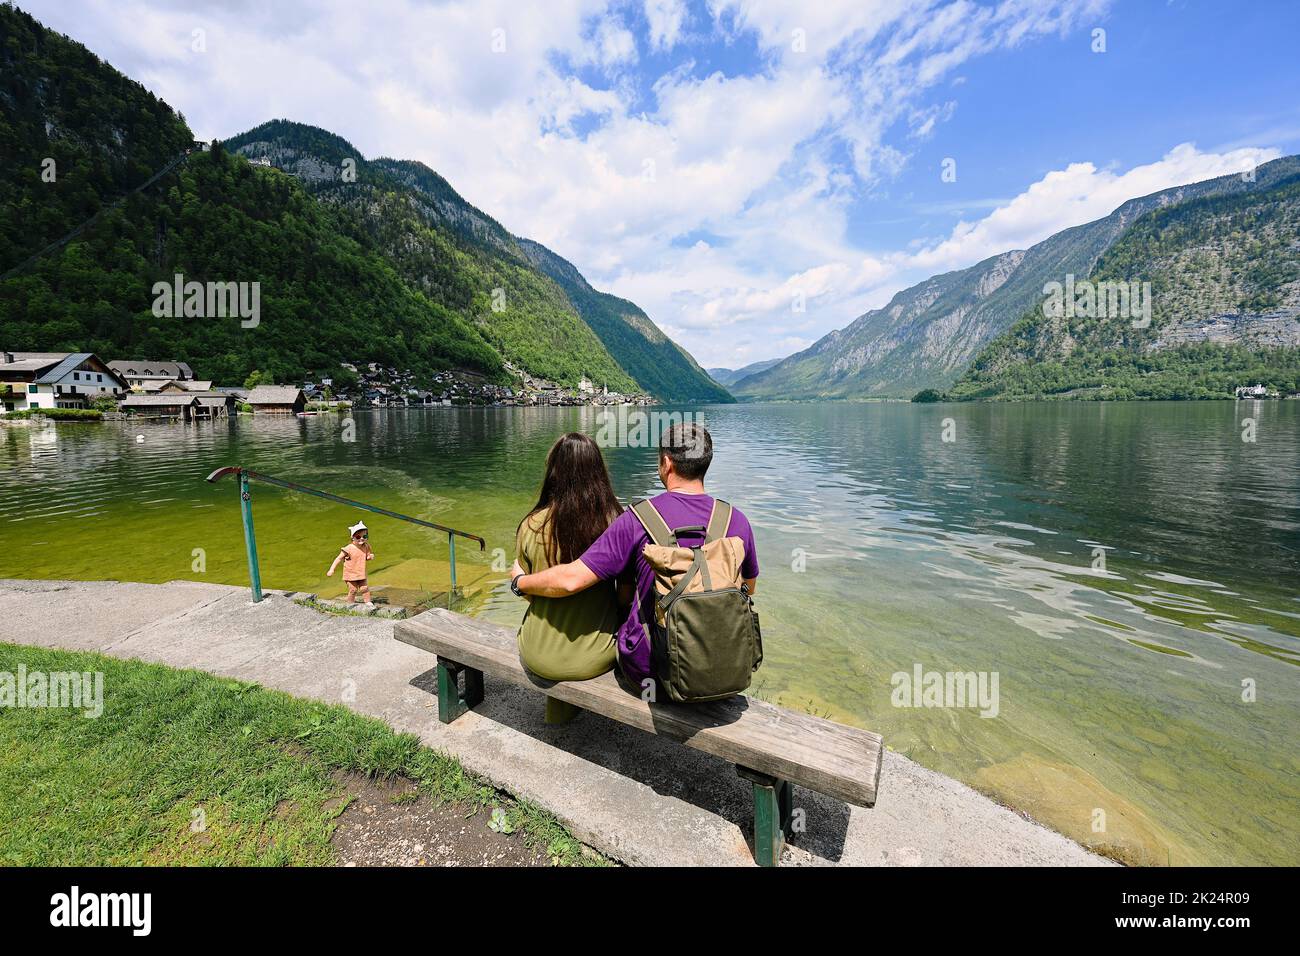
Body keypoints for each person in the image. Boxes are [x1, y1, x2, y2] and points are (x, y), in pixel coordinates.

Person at [510, 422, 759, 696]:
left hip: (651, 675)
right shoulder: (737, 520)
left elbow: (572, 580)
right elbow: (747, 589)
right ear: (706, 464)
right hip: (725, 669)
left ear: (666, 463)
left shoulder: (637, 520)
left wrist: (519, 582)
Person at [513, 432, 624, 722]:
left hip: (536, 650)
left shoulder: (531, 525)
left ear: (553, 472)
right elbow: (626, 595)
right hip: (594, 655)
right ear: (598, 472)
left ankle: (558, 718)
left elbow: (527, 591)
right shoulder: (615, 522)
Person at [328, 520, 375, 605]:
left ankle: (368, 602)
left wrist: (369, 557)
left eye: (364, 536)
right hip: (350, 574)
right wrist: (332, 569)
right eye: (358, 537)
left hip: (361, 572)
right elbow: (338, 558)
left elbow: (366, 557)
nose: (361, 538)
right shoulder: (348, 548)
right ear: (352, 537)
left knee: (364, 588)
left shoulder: (366, 546)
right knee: (353, 590)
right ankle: (350, 604)